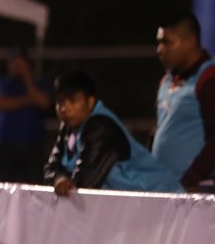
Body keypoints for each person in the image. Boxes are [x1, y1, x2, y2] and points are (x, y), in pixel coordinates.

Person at [45, 70, 182, 196]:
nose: (65, 108)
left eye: (73, 101)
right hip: (135, 203)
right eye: (60, 102)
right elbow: (51, 167)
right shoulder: (68, 127)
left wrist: (62, 180)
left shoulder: (100, 126)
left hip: (162, 198)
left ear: (90, 102)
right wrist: (59, 178)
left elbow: (85, 181)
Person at [152, 13, 215, 193]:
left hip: (198, 190)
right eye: (159, 42)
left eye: (167, 42)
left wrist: (192, 177)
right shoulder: (166, 80)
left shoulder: (208, 79)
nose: (160, 49)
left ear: (190, 41)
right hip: (166, 187)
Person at [0, 47, 50, 183]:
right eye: (13, 62)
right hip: (6, 147)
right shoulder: (2, 83)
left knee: (35, 187)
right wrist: (28, 100)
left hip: (33, 148)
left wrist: (27, 77)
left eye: (20, 62)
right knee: (0, 186)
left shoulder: (39, 83)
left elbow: (43, 102)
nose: (16, 66)